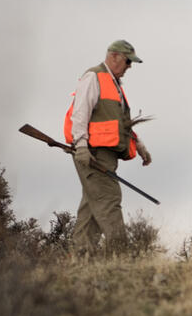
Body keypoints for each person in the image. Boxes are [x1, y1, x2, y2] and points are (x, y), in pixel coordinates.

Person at [63, 39, 152, 252]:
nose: (129, 67)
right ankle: (121, 255)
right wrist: (82, 146)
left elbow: (119, 123)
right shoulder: (93, 77)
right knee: (109, 199)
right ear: (114, 57)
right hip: (93, 153)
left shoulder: (113, 84)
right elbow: (80, 113)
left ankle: (81, 256)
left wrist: (138, 145)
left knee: (92, 206)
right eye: (128, 61)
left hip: (104, 154)